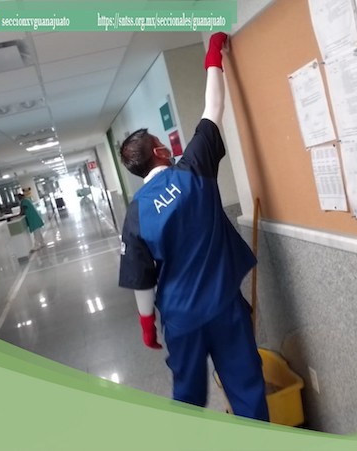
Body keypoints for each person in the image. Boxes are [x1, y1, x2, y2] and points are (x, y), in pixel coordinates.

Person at [118, 32, 269, 421]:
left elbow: (141, 280)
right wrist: (214, 53)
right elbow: (213, 107)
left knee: (187, 400)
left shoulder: (135, 214)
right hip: (224, 306)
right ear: (160, 151)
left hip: (181, 319)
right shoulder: (194, 169)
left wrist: (147, 325)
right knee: (247, 388)